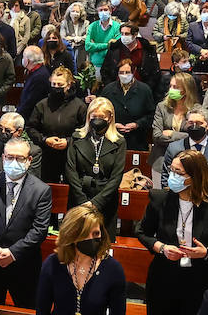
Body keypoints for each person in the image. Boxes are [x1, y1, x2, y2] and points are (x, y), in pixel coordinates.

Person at [136, 149, 208, 315]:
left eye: (178, 173)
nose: (171, 176)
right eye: (171, 170)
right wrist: (162, 248)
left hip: (198, 279)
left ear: (195, 176)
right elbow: (142, 232)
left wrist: (206, 252)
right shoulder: (160, 198)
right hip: (163, 278)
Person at [0, 136, 53, 311]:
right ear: (3, 158)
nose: (14, 161)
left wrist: (13, 253)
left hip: (24, 264)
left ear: (29, 160)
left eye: (20, 158)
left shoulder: (41, 190)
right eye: (9, 157)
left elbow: (39, 230)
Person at [64, 96, 126, 224]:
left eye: (102, 117)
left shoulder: (119, 142)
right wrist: (82, 200)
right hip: (79, 196)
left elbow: (116, 176)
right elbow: (71, 170)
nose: (97, 120)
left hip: (105, 200)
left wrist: (96, 203)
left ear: (110, 118)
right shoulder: (77, 137)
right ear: (88, 117)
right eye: (94, 116)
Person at [161, 107, 208, 196]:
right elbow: (166, 179)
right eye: (191, 123)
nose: (195, 126)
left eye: (199, 123)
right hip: (179, 199)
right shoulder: (174, 148)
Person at [96, 56, 155, 151]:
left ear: (133, 72)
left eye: (127, 73)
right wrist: (112, 124)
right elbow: (101, 114)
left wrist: (137, 124)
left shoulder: (144, 90)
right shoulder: (108, 90)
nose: (124, 75)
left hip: (137, 140)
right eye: (121, 73)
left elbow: (151, 115)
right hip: (112, 138)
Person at [100, 20, 161, 93]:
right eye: (122, 34)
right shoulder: (114, 49)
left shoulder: (147, 49)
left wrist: (146, 89)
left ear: (135, 34)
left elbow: (154, 72)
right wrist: (111, 88)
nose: (124, 36)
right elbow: (105, 70)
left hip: (141, 90)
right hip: (117, 90)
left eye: (127, 34)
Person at [0, 112, 43, 179]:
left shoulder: (33, 152)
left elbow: (32, 180)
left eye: (7, 130)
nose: (3, 132)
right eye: (0, 129)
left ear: (19, 132)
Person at [17, 45, 52, 121]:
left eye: (24, 57)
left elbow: (31, 102)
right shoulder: (35, 72)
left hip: (32, 118)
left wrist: (18, 115)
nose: (22, 59)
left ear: (28, 60)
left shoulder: (40, 76)